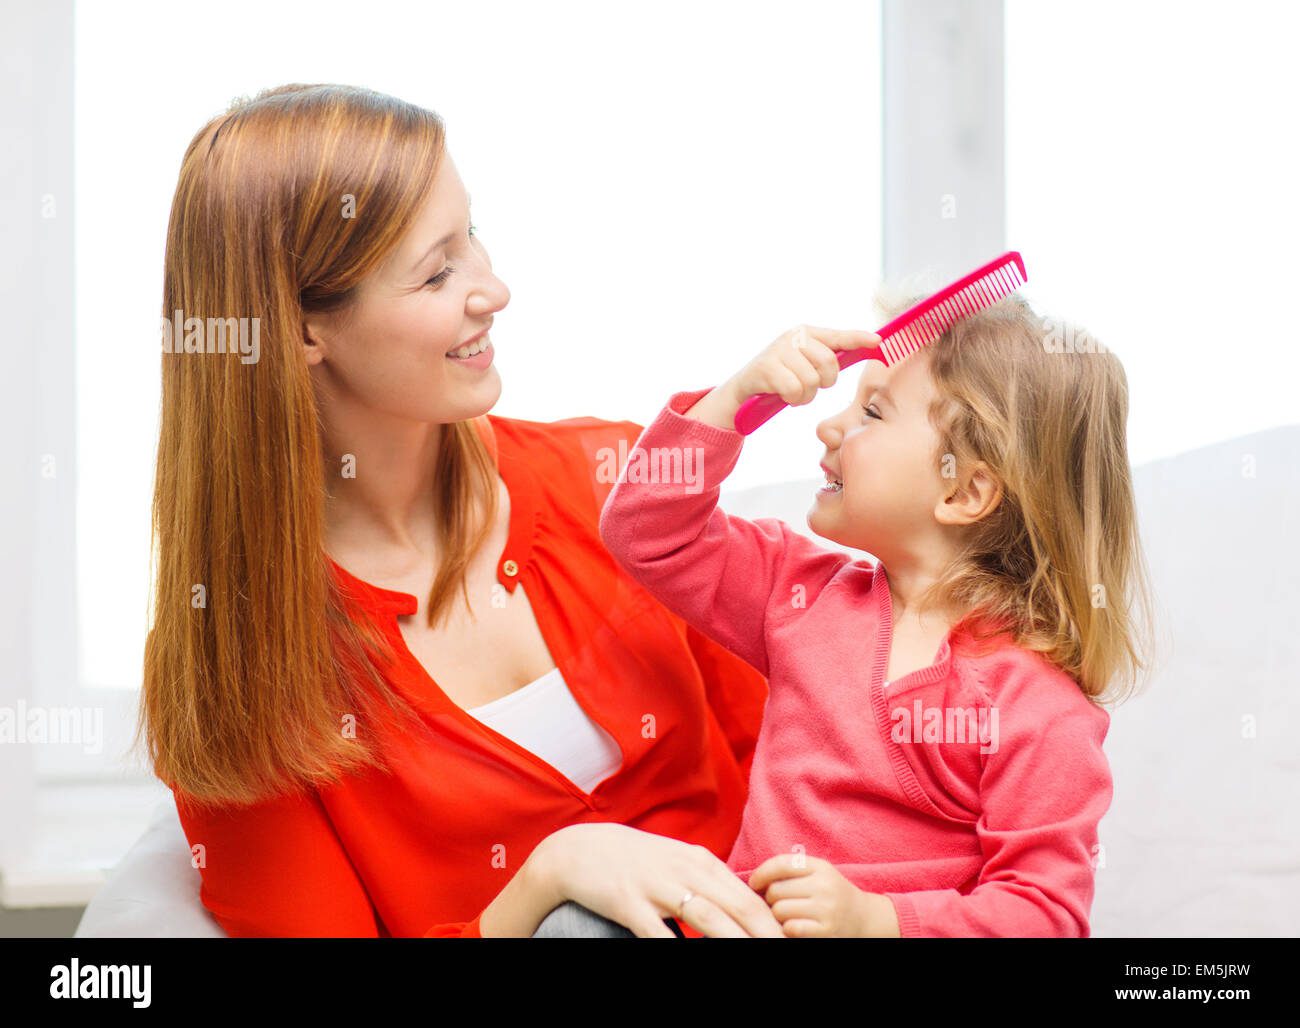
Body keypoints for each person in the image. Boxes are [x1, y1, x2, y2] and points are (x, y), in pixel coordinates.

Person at [135, 83, 785, 939]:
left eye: (472, 235)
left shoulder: (622, 488)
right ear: (300, 332)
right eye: (437, 272)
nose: (495, 290)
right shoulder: (244, 660)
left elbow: (790, 766)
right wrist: (546, 879)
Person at [599, 305, 1157, 936]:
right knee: (578, 922)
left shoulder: (1034, 706)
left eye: (872, 412)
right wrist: (735, 399)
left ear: (964, 491)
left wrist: (878, 921)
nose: (828, 428)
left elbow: (1044, 915)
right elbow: (645, 530)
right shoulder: (798, 594)